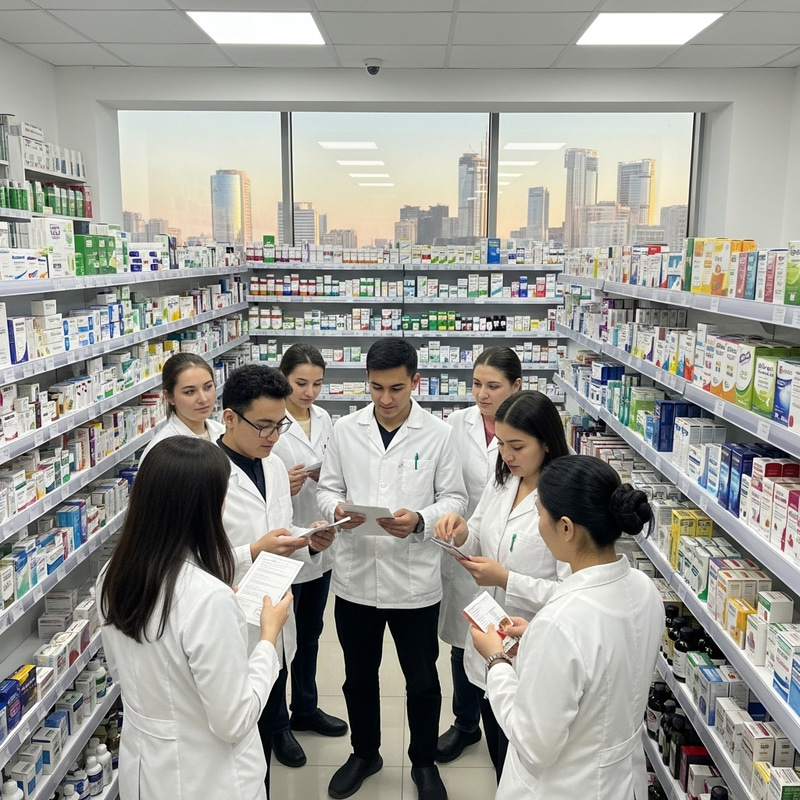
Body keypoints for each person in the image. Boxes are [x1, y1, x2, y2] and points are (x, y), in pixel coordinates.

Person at [98, 436, 293, 800]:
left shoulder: (113, 574)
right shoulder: (207, 598)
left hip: (144, 769)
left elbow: (126, 666)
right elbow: (233, 720)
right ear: (208, 506)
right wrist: (268, 639)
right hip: (208, 778)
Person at [316, 338, 467, 800]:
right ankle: (366, 753)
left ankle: (423, 761)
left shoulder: (439, 434)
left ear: (415, 383)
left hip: (414, 581)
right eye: (377, 388)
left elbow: (455, 498)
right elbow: (326, 488)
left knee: (421, 680)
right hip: (356, 578)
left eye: (396, 388)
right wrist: (338, 507)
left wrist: (421, 520)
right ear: (367, 382)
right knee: (358, 677)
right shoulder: (345, 430)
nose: (385, 399)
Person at [471, 455, 664, 800]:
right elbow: (605, 662)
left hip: (564, 787)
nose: (538, 524)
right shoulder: (643, 589)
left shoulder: (561, 621)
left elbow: (534, 744)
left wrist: (496, 661)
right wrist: (534, 640)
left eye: (540, 514)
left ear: (566, 527)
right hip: (620, 782)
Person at [434, 390, 570, 781]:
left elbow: (570, 592)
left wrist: (505, 579)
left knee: (524, 762)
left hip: (533, 641)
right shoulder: (504, 479)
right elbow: (479, 530)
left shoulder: (563, 501)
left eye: (517, 446)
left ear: (546, 442)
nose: (507, 455)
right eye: (501, 444)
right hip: (490, 638)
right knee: (498, 746)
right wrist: (461, 533)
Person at [217, 363, 336, 797]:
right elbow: (187, 563)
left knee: (262, 738)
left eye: (278, 424)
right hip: (225, 623)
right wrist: (252, 551)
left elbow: (280, 537)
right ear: (229, 418)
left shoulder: (271, 467)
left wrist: (311, 544)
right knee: (235, 741)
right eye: (263, 426)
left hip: (270, 617)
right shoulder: (204, 476)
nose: (273, 436)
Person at [436, 347, 521, 764]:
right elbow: (450, 484)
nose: (482, 395)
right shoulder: (456, 423)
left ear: (515, 387)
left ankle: (503, 724)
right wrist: (456, 523)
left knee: (503, 644)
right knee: (462, 640)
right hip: (465, 547)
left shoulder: (528, 429)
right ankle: (465, 723)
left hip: (511, 555)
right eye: (476, 384)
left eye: (493, 386)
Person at [269, 343, 348, 769]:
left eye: (318, 383)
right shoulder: (269, 421)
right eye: (301, 383)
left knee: (312, 633)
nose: (310, 392)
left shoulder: (324, 418)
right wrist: (284, 482)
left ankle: (306, 708)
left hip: (320, 540)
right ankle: (278, 724)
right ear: (283, 378)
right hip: (283, 542)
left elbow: (335, 468)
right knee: (280, 639)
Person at [139, 352, 225, 463]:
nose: (203, 399)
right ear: (169, 397)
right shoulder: (160, 452)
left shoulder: (223, 432)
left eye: (207, 387)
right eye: (190, 392)